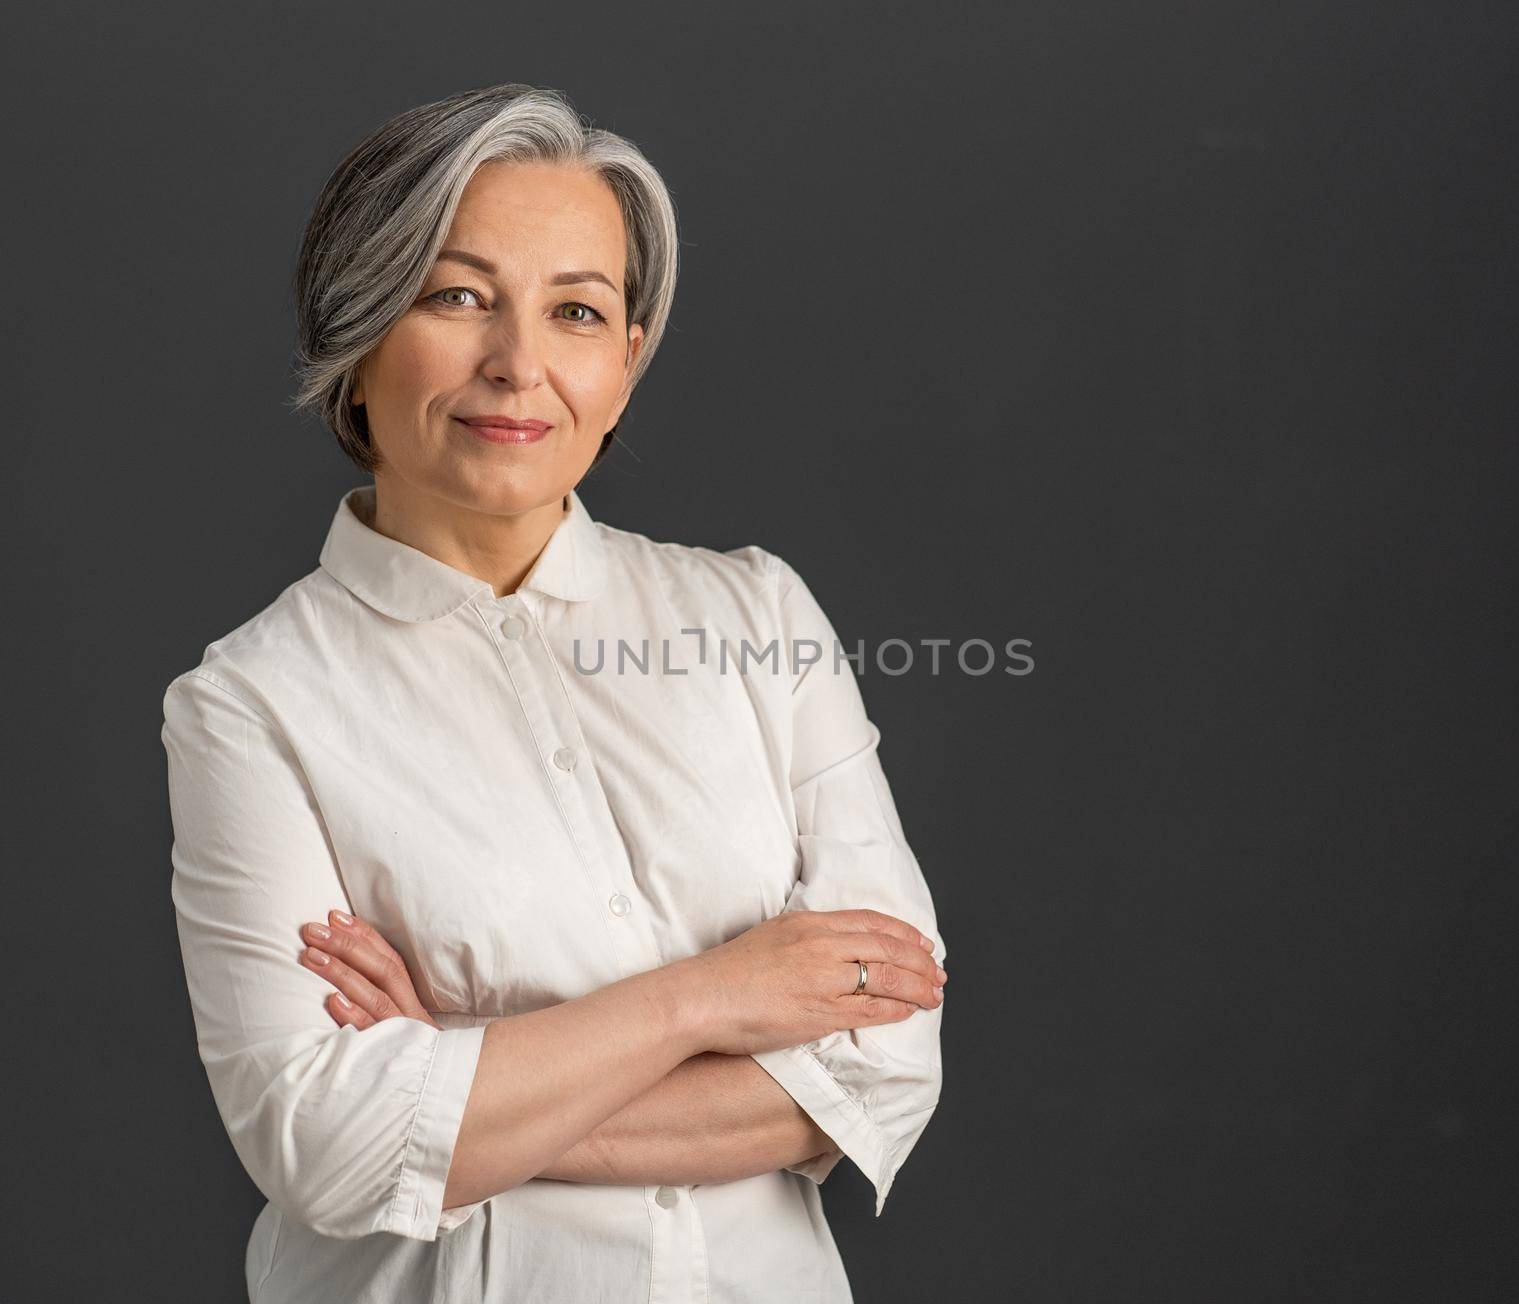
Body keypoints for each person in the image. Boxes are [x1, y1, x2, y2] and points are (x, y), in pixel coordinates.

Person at [160, 82, 947, 1304]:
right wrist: (716, 997)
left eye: (576, 311)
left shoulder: (757, 617)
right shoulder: (251, 704)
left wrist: (451, 1072)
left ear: (625, 366)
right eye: (457, 295)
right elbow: (322, 1145)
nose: (518, 363)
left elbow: (887, 1056)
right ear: (358, 340)